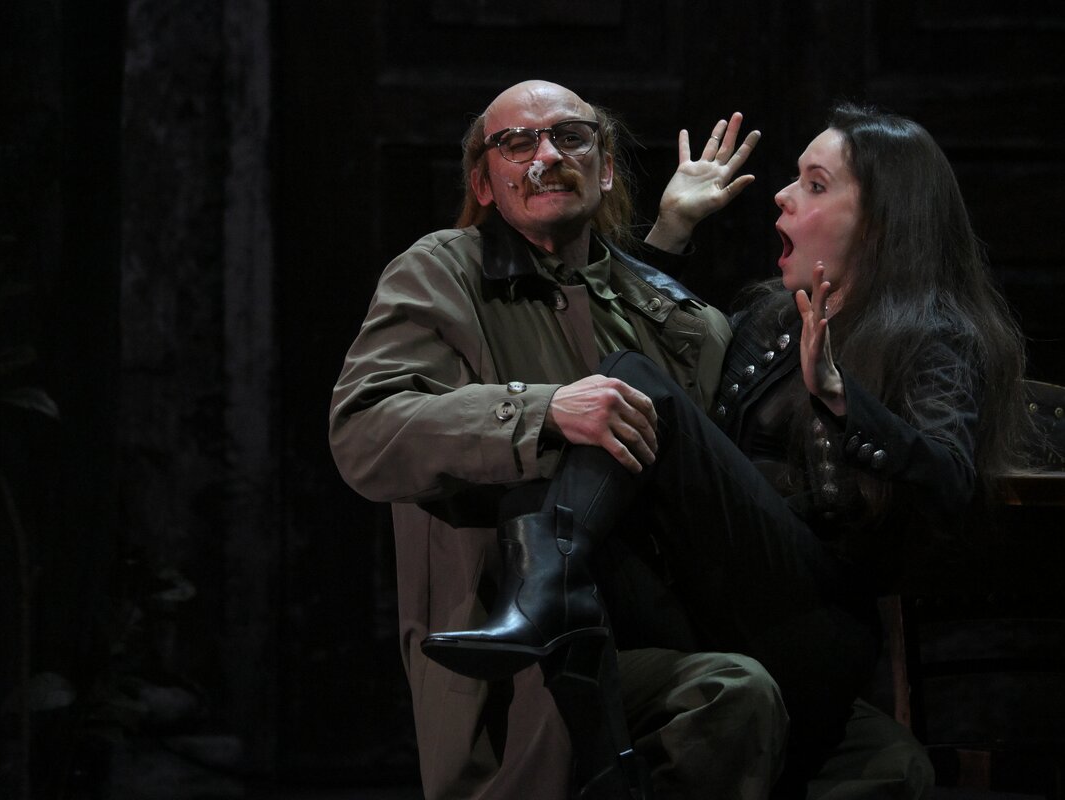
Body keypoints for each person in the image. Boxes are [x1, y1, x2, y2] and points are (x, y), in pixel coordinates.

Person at [424, 101, 1030, 793]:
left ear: (881, 220)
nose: (783, 195)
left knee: (629, 390)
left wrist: (843, 402)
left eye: (815, 184)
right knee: (543, 478)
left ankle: (547, 600)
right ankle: (556, 623)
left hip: (814, 630)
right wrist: (671, 230)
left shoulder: (937, 335)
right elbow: (648, 383)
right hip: (720, 611)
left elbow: (950, 486)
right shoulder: (771, 317)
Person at [328, 80, 788, 800]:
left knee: (878, 756)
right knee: (731, 693)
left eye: (571, 137)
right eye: (517, 143)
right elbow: (365, 429)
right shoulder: (443, 272)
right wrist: (541, 411)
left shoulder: (685, 321)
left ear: (604, 169)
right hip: (530, 657)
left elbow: (704, 454)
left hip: (664, 620)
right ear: (484, 183)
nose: (546, 155)